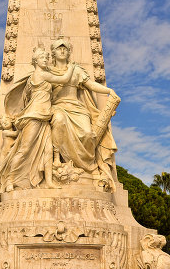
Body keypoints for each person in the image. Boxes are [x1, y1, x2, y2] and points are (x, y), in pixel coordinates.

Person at [0, 47, 75, 199]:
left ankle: (49, 181)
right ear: (35, 61)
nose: (46, 59)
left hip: (44, 117)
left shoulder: (40, 77)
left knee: (48, 150)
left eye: (46, 57)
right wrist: (71, 68)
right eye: (42, 57)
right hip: (34, 117)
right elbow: (63, 79)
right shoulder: (40, 74)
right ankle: (9, 179)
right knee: (24, 149)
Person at [48, 37, 120, 190]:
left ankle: (88, 166)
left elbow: (91, 84)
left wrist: (109, 91)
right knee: (59, 120)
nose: (62, 50)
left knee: (88, 133)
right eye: (59, 48)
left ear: (68, 52)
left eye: (65, 48)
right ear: (53, 53)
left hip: (77, 108)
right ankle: (56, 159)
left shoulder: (76, 69)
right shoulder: (48, 71)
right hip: (58, 107)